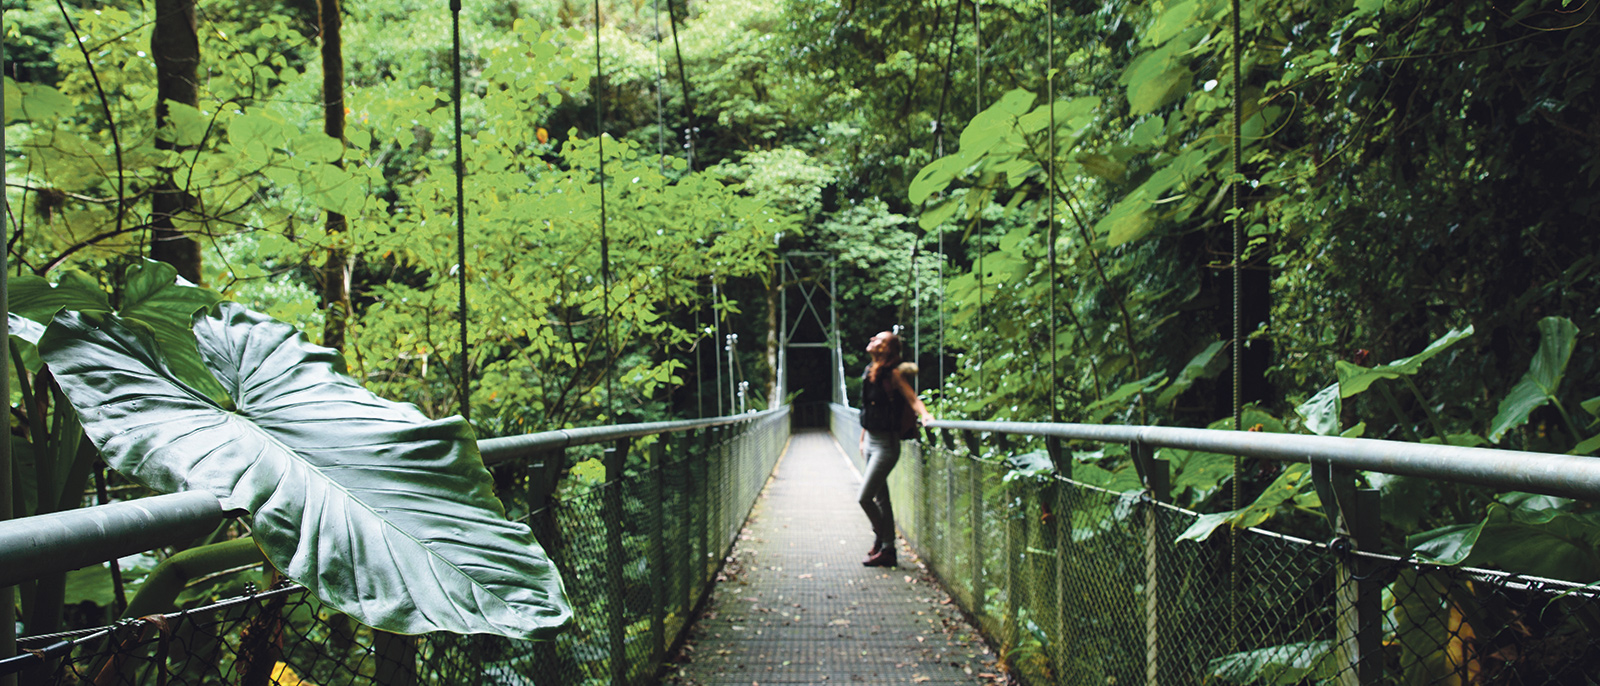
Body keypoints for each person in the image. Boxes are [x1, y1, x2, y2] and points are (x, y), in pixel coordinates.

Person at [856, 331, 932, 568]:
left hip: (887, 445)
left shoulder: (894, 374)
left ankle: (887, 541)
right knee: (881, 498)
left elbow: (912, 399)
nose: (871, 340)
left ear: (887, 348)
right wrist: (862, 439)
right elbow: (869, 409)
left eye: (877, 339)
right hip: (870, 441)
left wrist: (927, 415)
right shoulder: (870, 371)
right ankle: (886, 549)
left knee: (864, 497)